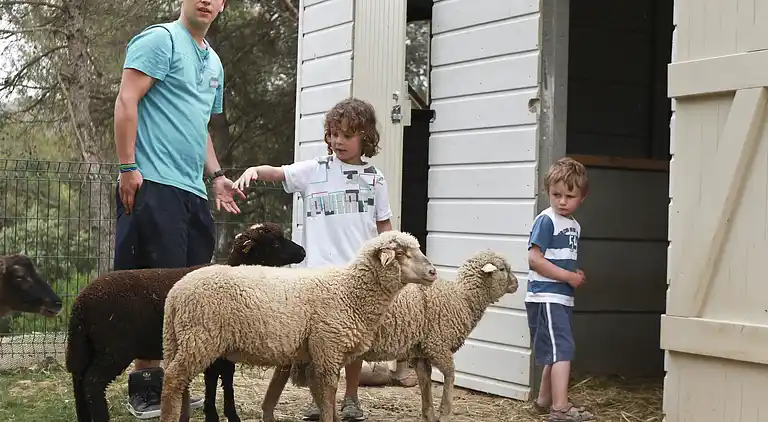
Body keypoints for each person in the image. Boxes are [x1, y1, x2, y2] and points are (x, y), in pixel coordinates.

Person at [112, 0, 245, 418]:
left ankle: (175, 388)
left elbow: (200, 124)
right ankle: (145, 389)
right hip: (153, 186)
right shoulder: (160, 40)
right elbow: (126, 100)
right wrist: (128, 166)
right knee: (150, 292)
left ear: (222, 5)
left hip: (192, 193)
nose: (206, 0)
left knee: (188, 297)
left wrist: (217, 175)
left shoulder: (214, 62)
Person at [233, 97, 392, 421]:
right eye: (333, 134)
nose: (338, 142)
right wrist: (254, 171)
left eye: (346, 135)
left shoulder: (375, 179)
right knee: (318, 344)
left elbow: (385, 225)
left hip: (355, 276)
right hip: (316, 276)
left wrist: (390, 255)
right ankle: (321, 399)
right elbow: (278, 173)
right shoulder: (315, 170)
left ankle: (350, 398)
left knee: (351, 342)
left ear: (365, 137)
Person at [525, 157, 595, 422]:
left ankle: (544, 401)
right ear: (548, 192)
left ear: (582, 197)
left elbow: (558, 258)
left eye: (569, 195)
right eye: (556, 194)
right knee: (562, 350)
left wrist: (572, 273)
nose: (562, 201)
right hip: (546, 296)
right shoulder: (547, 220)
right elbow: (535, 259)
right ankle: (560, 407)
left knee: (555, 351)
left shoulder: (574, 225)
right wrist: (567, 276)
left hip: (561, 297)